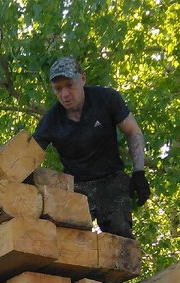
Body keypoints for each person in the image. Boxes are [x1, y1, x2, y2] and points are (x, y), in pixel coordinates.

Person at [33, 56, 149, 239]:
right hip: (76, 187)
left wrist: (139, 172)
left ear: (83, 79)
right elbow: (29, 155)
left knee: (121, 239)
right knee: (69, 241)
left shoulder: (106, 99)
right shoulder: (50, 121)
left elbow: (133, 131)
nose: (65, 94)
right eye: (58, 89)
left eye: (69, 85)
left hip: (111, 181)